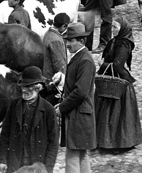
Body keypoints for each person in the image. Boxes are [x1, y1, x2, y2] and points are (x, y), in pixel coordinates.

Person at [0, 65, 59, 172]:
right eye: (23, 87)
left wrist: (48, 169)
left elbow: (53, 143)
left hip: (37, 167)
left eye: (28, 87)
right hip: (15, 164)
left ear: (38, 88)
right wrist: (2, 160)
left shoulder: (48, 109)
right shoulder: (14, 105)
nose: (24, 90)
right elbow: (5, 135)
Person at [95, 15, 142, 150]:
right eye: (113, 26)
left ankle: (116, 142)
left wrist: (102, 65)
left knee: (116, 113)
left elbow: (118, 65)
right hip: (109, 80)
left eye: (116, 27)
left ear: (123, 29)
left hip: (117, 83)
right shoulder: (115, 41)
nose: (113, 29)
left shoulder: (124, 44)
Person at [59, 22, 97, 173]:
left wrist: (62, 107)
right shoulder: (80, 57)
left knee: (72, 156)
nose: (67, 44)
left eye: (71, 40)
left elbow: (80, 92)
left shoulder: (85, 60)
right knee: (81, 154)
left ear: (81, 41)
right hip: (80, 114)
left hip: (79, 115)